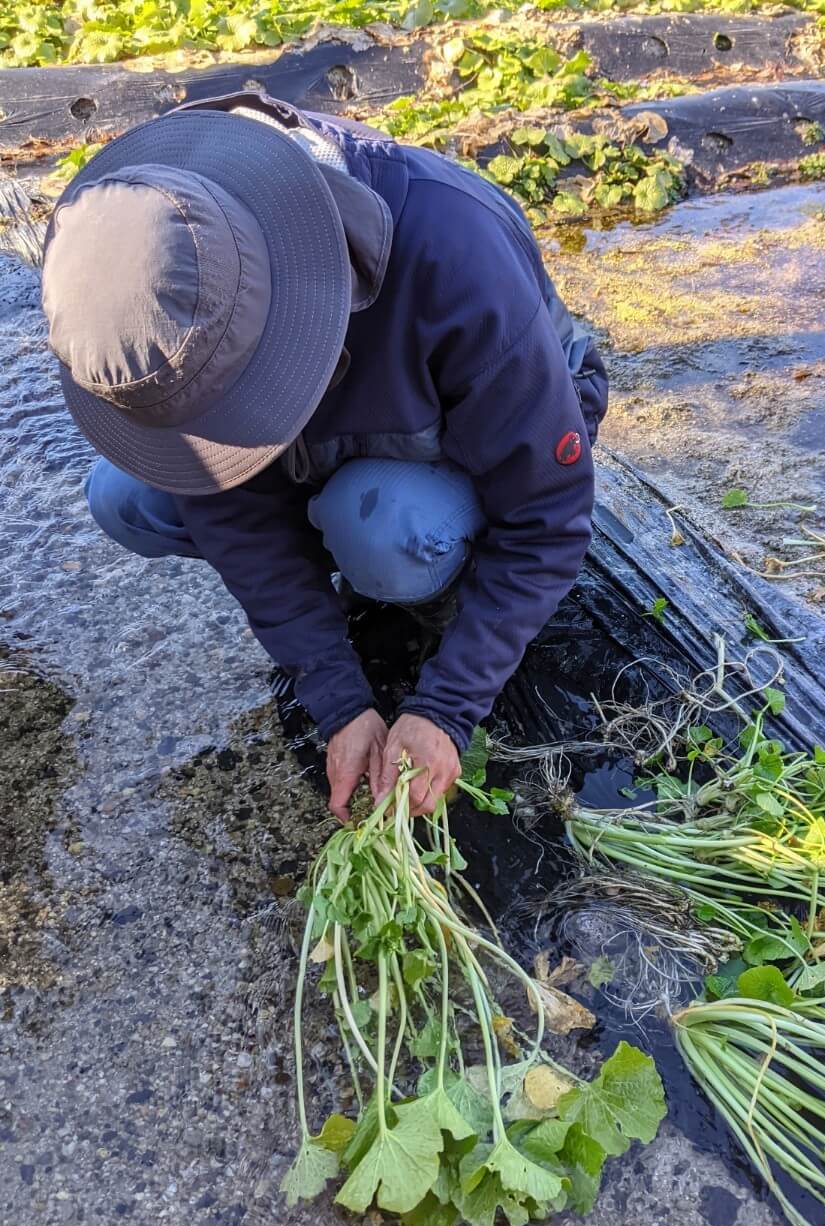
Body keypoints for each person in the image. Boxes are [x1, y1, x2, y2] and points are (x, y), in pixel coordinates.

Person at [40, 91, 607, 821]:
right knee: (126, 497)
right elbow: (233, 515)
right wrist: (338, 701)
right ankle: (344, 540)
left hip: (484, 426)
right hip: (337, 437)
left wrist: (445, 707)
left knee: (385, 534)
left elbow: (549, 517)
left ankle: (438, 580)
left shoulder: (452, 259)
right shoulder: (162, 250)